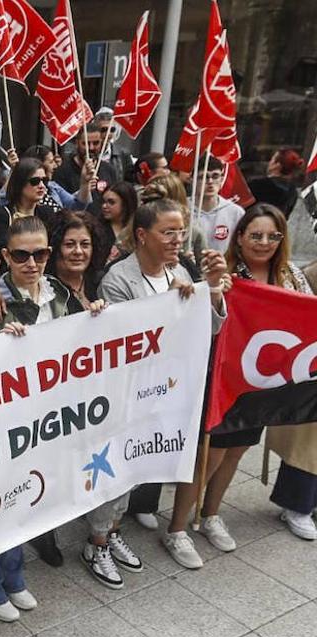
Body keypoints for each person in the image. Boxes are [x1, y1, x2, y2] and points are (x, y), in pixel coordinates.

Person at [0, 217, 126, 596]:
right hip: (4, 424)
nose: (31, 262)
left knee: (25, 498)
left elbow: (75, 349)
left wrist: (95, 320)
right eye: (21, 255)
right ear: (6, 255)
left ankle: (15, 573)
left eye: (40, 254)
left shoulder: (57, 292)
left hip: (47, 421)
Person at [99, 200, 231, 570]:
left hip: (170, 390)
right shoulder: (118, 279)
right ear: (142, 235)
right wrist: (170, 305)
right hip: (131, 393)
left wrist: (213, 293)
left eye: (180, 231)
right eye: (167, 231)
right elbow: (124, 343)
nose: (177, 239)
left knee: (146, 461)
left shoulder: (182, 272)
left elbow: (210, 328)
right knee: (119, 467)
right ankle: (100, 539)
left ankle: (119, 528)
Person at [222, 205, 317, 540]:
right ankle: (185, 519)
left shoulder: (291, 275)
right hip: (228, 379)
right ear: (240, 237)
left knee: (237, 451)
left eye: (272, 236)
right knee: (214, 453)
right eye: (256, 235)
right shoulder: (227, 273)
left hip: (268, 382)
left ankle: (211, 514)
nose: (264, 242)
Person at [0, 157, 57, 275]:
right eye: (35, 181)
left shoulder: (47, 214)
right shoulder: (1, 215)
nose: (41, 185)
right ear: (20, 183)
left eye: (44, 181)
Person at [48, 210, 104, 305]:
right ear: (55, 247)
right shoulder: (46, 291)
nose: (78, 251)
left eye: (85, 244)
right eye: (69, 244)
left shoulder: (101, 282)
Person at [195, 158, 245, 254]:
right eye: (203, 177)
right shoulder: (182, 209)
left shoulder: (236, 212)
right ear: (192, 179)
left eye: (215, 176)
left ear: (222, 179)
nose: (210, 181)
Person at [54, 124, 113, 203]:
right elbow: (60, 203)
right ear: (77, 143)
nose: (91, 148)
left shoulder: (109, 170)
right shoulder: (62, 171)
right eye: (86, 143)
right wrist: (84, 189)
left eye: (96, 143)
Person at [24, 144, 91, 211]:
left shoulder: (52, 186)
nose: (55, 166)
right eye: (51, 162)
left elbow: (76, 206)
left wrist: (85, 183)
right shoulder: (24, 191)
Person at [248, 148, 304, 218]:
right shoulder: (293, 192)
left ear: (277, 165)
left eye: (272, 159)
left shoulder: (259, 185)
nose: (269, 162)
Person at [96, 181, 139, 266]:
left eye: (111, 202)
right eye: (103, 202)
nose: (104, 206)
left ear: (126, 204)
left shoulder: (138, 228)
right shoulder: (97, 229)